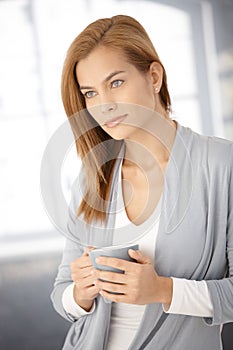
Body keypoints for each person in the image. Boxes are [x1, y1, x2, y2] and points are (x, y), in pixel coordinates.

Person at [50, 14, 233, 350]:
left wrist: (162, 290)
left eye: (116, 82)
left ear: (154, 76)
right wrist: (81, 291)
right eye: (90, 93)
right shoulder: (93, 177)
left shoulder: (222, 166)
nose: (104, 105)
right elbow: (62, 296)